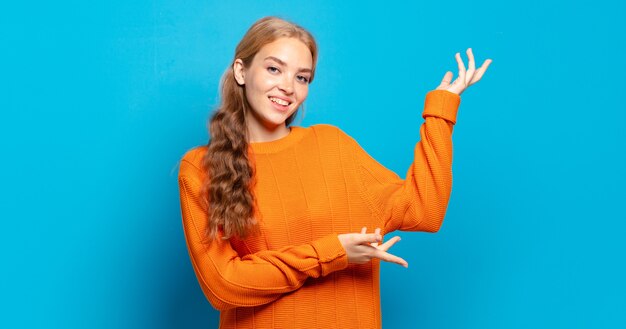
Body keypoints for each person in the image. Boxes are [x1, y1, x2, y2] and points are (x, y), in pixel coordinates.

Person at [178, 16, 491, 329]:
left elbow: (425, 211)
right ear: (241, 71)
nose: (287, 87)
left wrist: (441, 112)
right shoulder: (201, 168)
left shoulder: (331, 146)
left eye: (302, 78)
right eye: (274, 69)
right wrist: (333, 253)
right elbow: (223, 284)